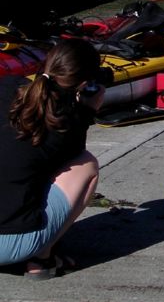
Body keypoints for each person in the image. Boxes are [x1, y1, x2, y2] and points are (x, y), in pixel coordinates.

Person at [0, 39, 104, 279]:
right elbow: (65, 163)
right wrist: (87, 111)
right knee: (86, 165)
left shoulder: (5, 86)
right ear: (83, 85)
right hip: (10, 246)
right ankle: (42, 258)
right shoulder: (66, 125)